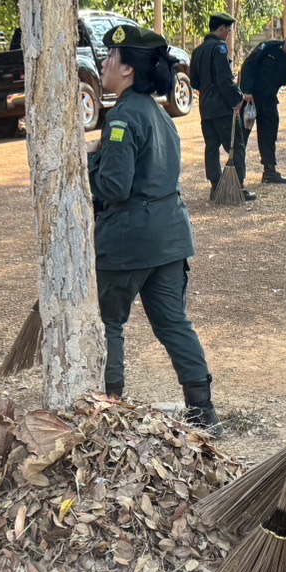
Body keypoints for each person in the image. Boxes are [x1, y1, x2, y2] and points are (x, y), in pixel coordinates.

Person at [88, 23, 220, 430]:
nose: (104, 64)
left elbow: (114, 186)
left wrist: (87, 163)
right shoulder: (161, 115)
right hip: (170, 235)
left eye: (111, 57)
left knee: (109, 322)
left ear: (128, 69)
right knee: (173, 323)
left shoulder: (122, 117)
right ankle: (203, 409)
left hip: (130, 238)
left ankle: (107, 407)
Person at [238, 23, 286, 185]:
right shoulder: (267, 48)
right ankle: (236, 173)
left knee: (269, 135)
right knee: (241, 136)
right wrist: (246, 90)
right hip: (250, 100)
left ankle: (270, 171)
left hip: (269, 101)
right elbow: (248, 66)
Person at [190, 12, 256, 201]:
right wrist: (237, 99)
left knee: (211, 147)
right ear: (221, 28)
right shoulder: (219, 48)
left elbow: (194, 81)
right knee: (237, 145)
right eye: (228, 30)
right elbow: (224, 78)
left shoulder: (198, 50)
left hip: (205, 108)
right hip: (221, 108)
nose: (228, 34)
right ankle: (238, 187)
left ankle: (216, 186)